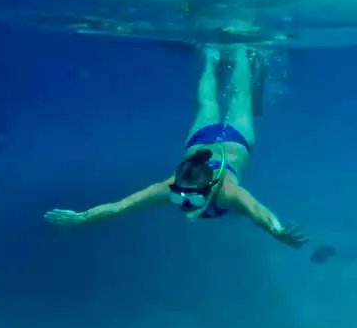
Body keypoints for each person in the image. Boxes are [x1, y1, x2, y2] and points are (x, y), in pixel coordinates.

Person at [44, 46, 308, 248]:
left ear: (211, 187)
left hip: (227, 139)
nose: (185, 204)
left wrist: (277, 230)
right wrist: (83, 218)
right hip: (222, 140)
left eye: (190, 199)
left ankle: (235, 51)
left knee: (227, 99)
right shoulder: (170, 186)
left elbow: (258, 212)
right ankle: (213, 55)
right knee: (218, 101)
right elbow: (120, 206)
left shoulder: (227, 192)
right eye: (180, 197)